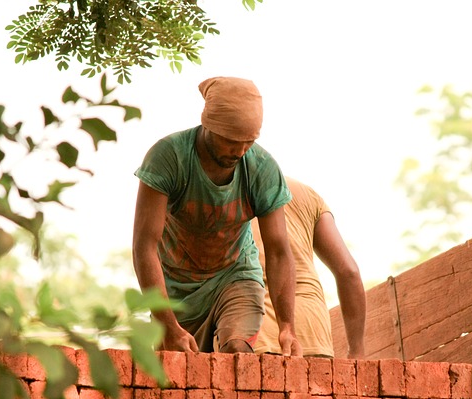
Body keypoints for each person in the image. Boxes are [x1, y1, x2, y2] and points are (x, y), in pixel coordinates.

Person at [132, 76, 301, 355]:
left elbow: (280, 251)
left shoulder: (262, 168)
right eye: (230, 141)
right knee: (178, 370)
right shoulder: (168, 158)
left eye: (248, 141)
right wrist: (168, 325)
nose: (239, 150)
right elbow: (144, 246)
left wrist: (287, 327)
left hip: (235, 274)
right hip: (177, 287)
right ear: (208, 125)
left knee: (237, 348)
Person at [252, 177, 366, 358]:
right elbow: (349, 272)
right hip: (312, 331)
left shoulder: (234, 187)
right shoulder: (308, 195)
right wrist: (357, 352)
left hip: (257, 328)